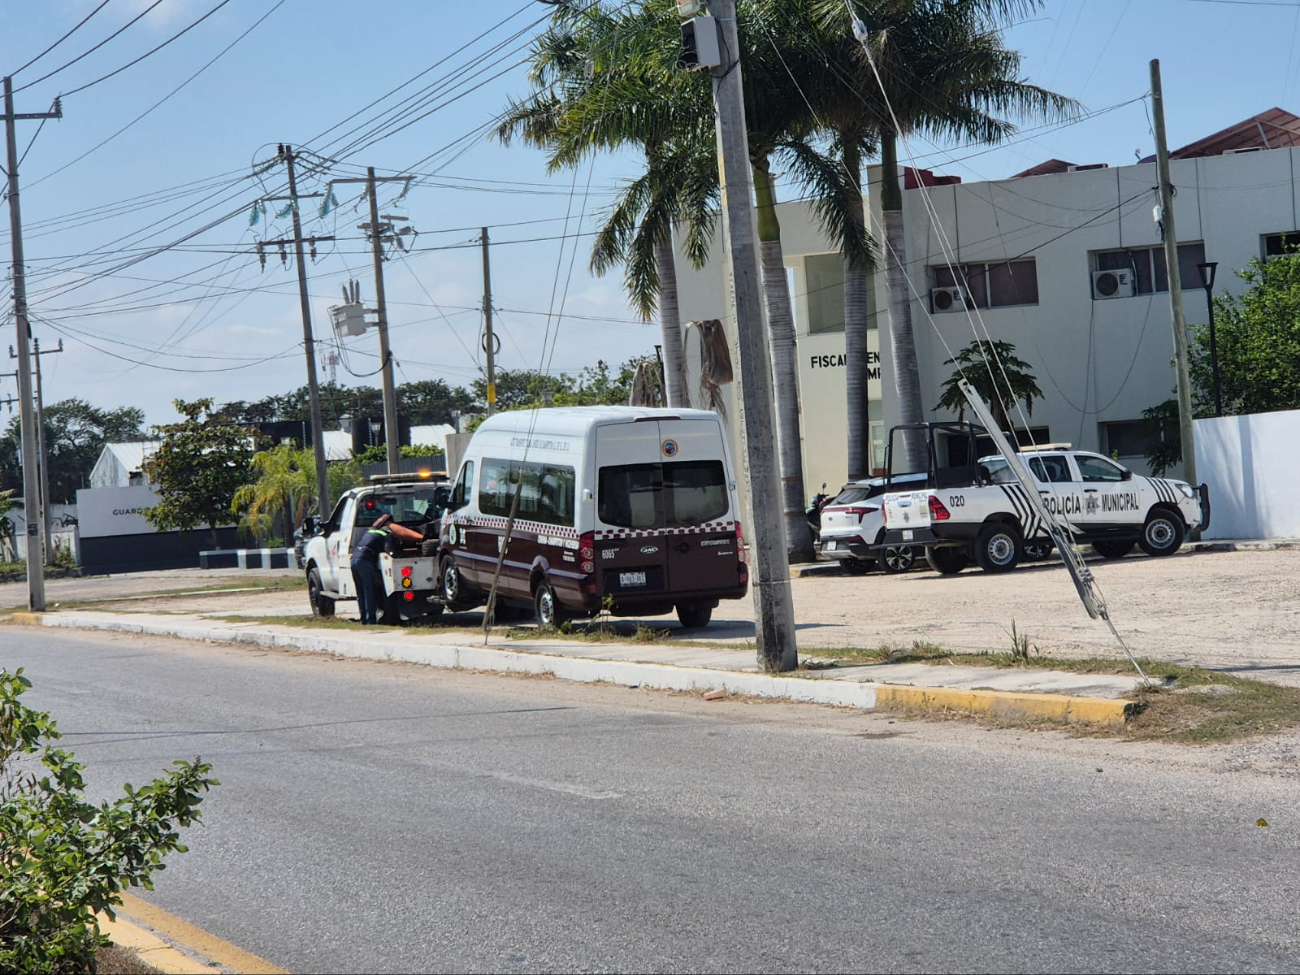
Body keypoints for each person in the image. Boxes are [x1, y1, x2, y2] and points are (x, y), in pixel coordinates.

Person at [350, 513, 423, 625]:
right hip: (364, 561)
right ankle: (371, 621)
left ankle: (363, 619)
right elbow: (389, 550)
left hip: (354, 559)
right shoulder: (385, 534)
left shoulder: (369, 532)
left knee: (361, 592)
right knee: (369, 591)